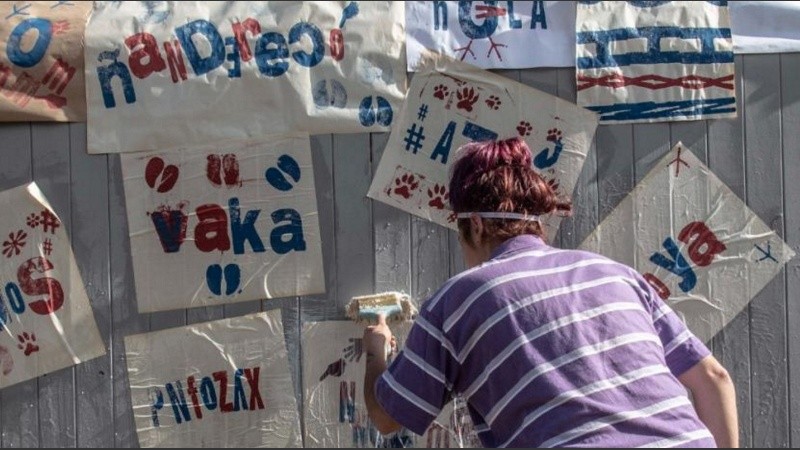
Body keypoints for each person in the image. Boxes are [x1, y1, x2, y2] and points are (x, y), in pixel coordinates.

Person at [363, 137, 738, 448]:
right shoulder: (614, 273)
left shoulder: (460, 300)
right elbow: (714, 377)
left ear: (475, 226)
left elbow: (387, 417)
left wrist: (376, 352)